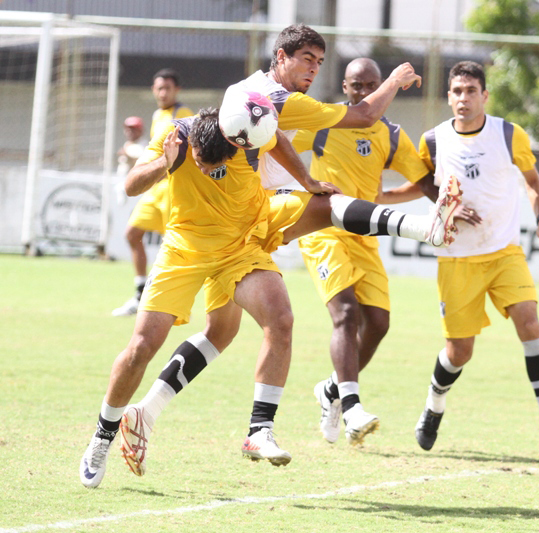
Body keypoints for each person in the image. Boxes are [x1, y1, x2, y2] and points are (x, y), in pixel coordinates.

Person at [116, 24, 461, 477]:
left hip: (241, 223)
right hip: (240, 219)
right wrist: (394, 81)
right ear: (281, 57)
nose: (314, 70)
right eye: (307, 61)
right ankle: (422, 232)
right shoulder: (280, 99)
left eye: (319, 63)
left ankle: (149, 412)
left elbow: (272, 137)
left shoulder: (254, 93)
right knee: (326, 217)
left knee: (225, 330)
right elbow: (360, 117)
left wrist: (303, 178)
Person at [79, 108, 339, 488]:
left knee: (275, 321)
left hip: (238, 247)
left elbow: (278, 140)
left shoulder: (247, 133)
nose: (207, 172)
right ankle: (103, 437)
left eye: (216, 167)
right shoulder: (176, 137)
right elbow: (131, 185)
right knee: (142, 347)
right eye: (201, 164)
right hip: (184, 249)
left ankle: (259, 430)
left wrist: (307, 179)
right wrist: (165, 165)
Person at [382, 61, 539, 451]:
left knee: (530, 321)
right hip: (457, 259)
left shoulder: (507, 134)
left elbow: (533, 181)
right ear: (449, 96)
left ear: (484, 95)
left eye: (471, 91)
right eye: (457, 91)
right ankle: (434, 404)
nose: (463, 98)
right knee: (459, 351)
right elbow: (421, 185)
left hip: (504, 252)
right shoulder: (434, 141)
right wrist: (376, 197)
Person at [287, 57, 439, 446]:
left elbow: (423, 181)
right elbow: (276, 147)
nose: (363, 92)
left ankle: (332, 390)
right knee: (347, 314)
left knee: (379, 323)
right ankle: (352, 408)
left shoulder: (391, 134)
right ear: (344, 88)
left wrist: (451, 206)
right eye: (356, 86)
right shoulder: (324, 122)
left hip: (364, 235)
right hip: (324, 231)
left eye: (370, 85)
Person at [112, 69, 194, 317]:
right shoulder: (158, 114)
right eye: (159, 88)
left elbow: (177, 155)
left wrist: (136, 154)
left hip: (172, 189)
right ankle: (139, 294)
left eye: (167, 88)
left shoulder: (184, 115)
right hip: (155, 189)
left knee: (175, 246)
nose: (162, 92)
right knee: (132, 234)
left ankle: (170, 301)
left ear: (176, 90)